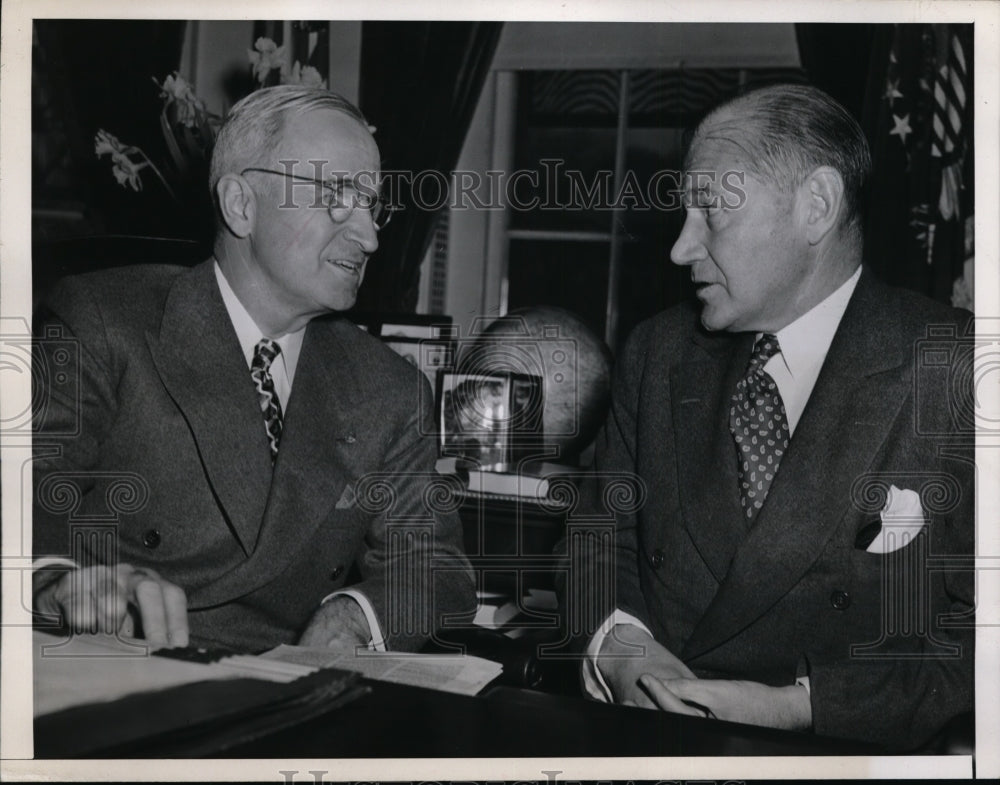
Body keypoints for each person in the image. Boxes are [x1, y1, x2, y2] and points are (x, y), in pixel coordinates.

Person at [562, 84, 974, 750]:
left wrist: (802, 707)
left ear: (816, 206)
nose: (681, 248)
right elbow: (594, 543)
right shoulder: (658, 352)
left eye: (710, 212)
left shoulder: (956, 368)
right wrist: (622, 652)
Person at [32, 85, 476, 653]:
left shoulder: (388, 388)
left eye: (372, 205)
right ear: (241, 205)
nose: (369, 237)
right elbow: (24, 495)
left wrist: (358, 614)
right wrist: (58, 584)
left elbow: (436, 567)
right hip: (123, 668)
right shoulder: (102, 322)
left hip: (287, 684)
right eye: (338, 196)